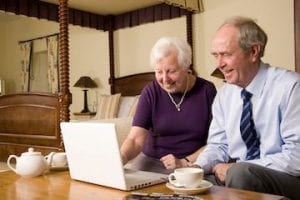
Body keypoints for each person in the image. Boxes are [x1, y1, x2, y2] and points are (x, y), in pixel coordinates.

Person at [194, 16, 300, 199]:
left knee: (240, 174)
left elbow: (296, 157)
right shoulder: (225, 94)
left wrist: (236, 168)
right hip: (243, 175)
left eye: (226, 54)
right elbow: (218, 145)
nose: (219, 64)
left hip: (290, 177)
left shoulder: (291, 87)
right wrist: (195, 168)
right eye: (215, 55)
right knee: (196, 183)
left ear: (253, 51)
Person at [120, 37, 216, 174]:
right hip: (152, 161)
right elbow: (135, 139)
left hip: (192, 163)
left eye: (171, 71)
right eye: (159, 72)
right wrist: (121, 158)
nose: (165, 79)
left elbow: (216, 142)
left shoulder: (207, 91)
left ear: (186, 67)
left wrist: (185, 162)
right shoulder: (150, 92)